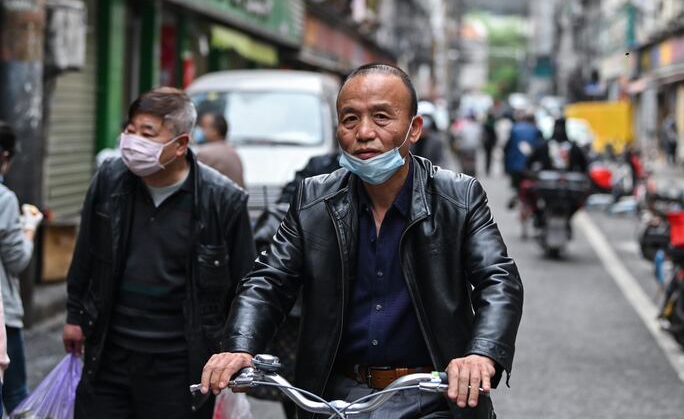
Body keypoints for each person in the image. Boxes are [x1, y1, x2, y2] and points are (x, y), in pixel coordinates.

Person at [199, 63, 524, 419]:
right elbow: (268, 279)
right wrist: (239, 345)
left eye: (381, 117)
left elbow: (499, 279)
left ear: (414, 129)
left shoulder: (458, 197)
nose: (364, 132)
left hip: (433, 394)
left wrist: (480, 354)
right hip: (335, 395)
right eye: (350, 119)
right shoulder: (312, 198)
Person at [64, 88, 255, 419]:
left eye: (147, 134)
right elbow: (87, 252)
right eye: (130, 130)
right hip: (109, 352)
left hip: (180, 365)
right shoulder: (109, 180)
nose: (133, 141)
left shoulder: (223, 200)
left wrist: (238, 349)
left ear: (181, 145)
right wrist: (74, 315)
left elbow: (246, 285)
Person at [0, 122, 43, 414]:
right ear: (5, 156)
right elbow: (17, 260)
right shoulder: (4, 199)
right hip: (3, 314)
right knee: (15, 395)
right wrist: (29, 228)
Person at [193, 113, 245, 188]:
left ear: (215, 131)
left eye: (203, 127)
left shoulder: (205, 153)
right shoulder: (232, 151)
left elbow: (191, 182)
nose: (199, 130)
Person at [503, 111, 543, 208]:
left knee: (517, 184)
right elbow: (541, 148)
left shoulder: (515, 128)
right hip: (529, 168)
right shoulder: (536, 130)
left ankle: (518, 197)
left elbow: (507, 148)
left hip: (515, 167)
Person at [412, 101, 446, 166]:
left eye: (428, 118)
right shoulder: (409, 139)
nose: (425, 122)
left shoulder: (436, 141)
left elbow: (442, 162)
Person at [481, 109, 498, 176]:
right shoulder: (493, 124)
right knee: (490, 156)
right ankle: (488, 169)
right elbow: (495, 134)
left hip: (486, 142)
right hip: (491, 142)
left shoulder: (485, 124)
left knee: (486, 155)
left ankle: (486, 169)